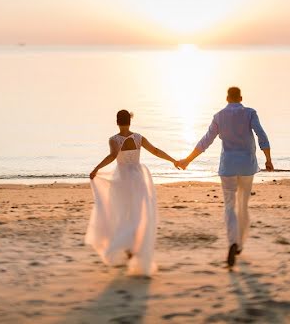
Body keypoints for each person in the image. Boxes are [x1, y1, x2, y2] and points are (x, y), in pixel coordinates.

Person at [177, 87, 273, 267]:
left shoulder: (219, 116)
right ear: (241, 98)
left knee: (229, 205)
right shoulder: (250, 113)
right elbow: (261, 135)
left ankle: (232, 242)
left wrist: (188, 160)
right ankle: (240, 245)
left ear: (227, 98)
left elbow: (206, 140)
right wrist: (268, 159)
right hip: (246, 165)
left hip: (228, 166)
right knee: (243, 205)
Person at [86, 109, 180, 276]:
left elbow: (113, 156)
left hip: (122, 179)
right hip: (138, 177)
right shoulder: (138, 138)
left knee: (122, 212)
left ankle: (128, 246)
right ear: (130, 121)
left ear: (117, 122)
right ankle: (133, 245)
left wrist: (97, 168)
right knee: (137, 213)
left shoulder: (114, 139)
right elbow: (156, 151)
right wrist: (173, 160)